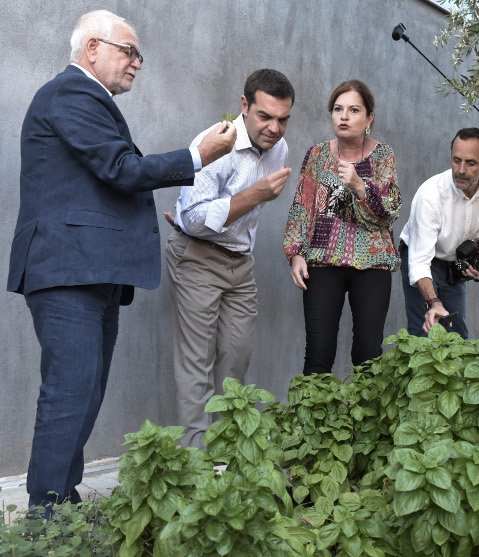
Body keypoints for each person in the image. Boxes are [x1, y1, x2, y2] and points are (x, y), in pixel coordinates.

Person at [6, 10, 236, 511]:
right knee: (68, 397)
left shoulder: (90, 101)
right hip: (69, 271)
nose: (137, 64)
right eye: (128, 52)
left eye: (139, 56)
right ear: (92, 48)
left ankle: (60, 506)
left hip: (93, 273)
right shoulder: (72, 93)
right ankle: (45, 520)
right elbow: (121, 168)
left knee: (83, 397)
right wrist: (198, 156)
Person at [166, 69, 294, 448]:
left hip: (240, 265)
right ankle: (196, 467)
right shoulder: (216, 144)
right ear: (244, 106)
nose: (274, 128)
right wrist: (254, 196)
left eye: (283, 119)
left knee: (235, 364)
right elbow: (191, 218)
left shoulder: (279, 149)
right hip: (198, 260)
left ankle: (224, 459)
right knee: (196, 367)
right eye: (265, 116)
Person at [283, 80, 401, 374]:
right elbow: (301, 206)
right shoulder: (317, 155)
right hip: (323, 260)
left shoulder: (383, 156)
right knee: (318, 352)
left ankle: (363, 421)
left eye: (353, 110)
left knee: (368, 353)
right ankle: (313, 419)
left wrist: (360, 187)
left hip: (372, 263)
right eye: (337, 109)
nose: (343, 116)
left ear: (369, 118)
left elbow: (388, 214)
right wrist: (295, 253)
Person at [399, 127, 479, 338]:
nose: (461, 170)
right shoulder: (430, 195)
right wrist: (433, 302)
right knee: (423, 333)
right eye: (456, 160)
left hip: (454, 261)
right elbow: (419, 263)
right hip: (422, 257)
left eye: (471, 163)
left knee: (457, 334)